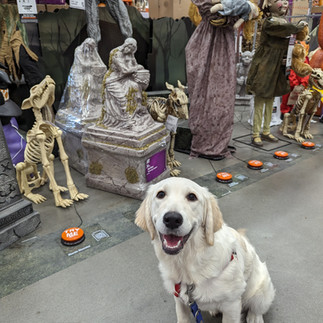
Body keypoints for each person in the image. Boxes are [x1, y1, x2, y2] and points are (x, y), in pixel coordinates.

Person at [246, 0, 307, 147]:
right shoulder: (270, 22)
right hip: (266, 64)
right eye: (277, 0)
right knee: (261, 98)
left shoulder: (284, 22)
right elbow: (284, 29)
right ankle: (255, 133)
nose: (284, 2)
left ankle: (266, 131)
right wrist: (299, 26)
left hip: (278, 64)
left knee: (271, 98)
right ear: (269, 5)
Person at [186, 0, 237, 159]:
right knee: (204, 97)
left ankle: (219, 141)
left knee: (223, 99)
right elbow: (209, 9)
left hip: (224, 43)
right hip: (206, 41)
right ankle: (203, 143)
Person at [99, 38, 154, 130]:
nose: (130, 50)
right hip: (114, 80)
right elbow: (125, 70)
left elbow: (134, 65)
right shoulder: (116, 53)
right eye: (129, 47)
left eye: (132, 49)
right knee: (122, 97)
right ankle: (126, 119)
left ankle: (135, 114)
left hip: (126, 79)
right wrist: (137, 67)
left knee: (136, 88)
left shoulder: (131, 54)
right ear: (125, 44)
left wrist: (136, 66)